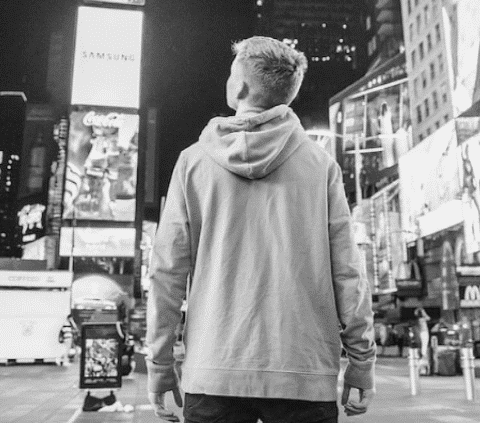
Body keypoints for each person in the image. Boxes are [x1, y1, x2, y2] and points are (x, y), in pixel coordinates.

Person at [146, 37, 376, 423]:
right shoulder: (321, 166)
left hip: (213, 373)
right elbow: (349, 272)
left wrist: (160, 365)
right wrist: (361, 361)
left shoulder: (193, 163)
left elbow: (166, 272)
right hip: (304, 375)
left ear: (239, 88)